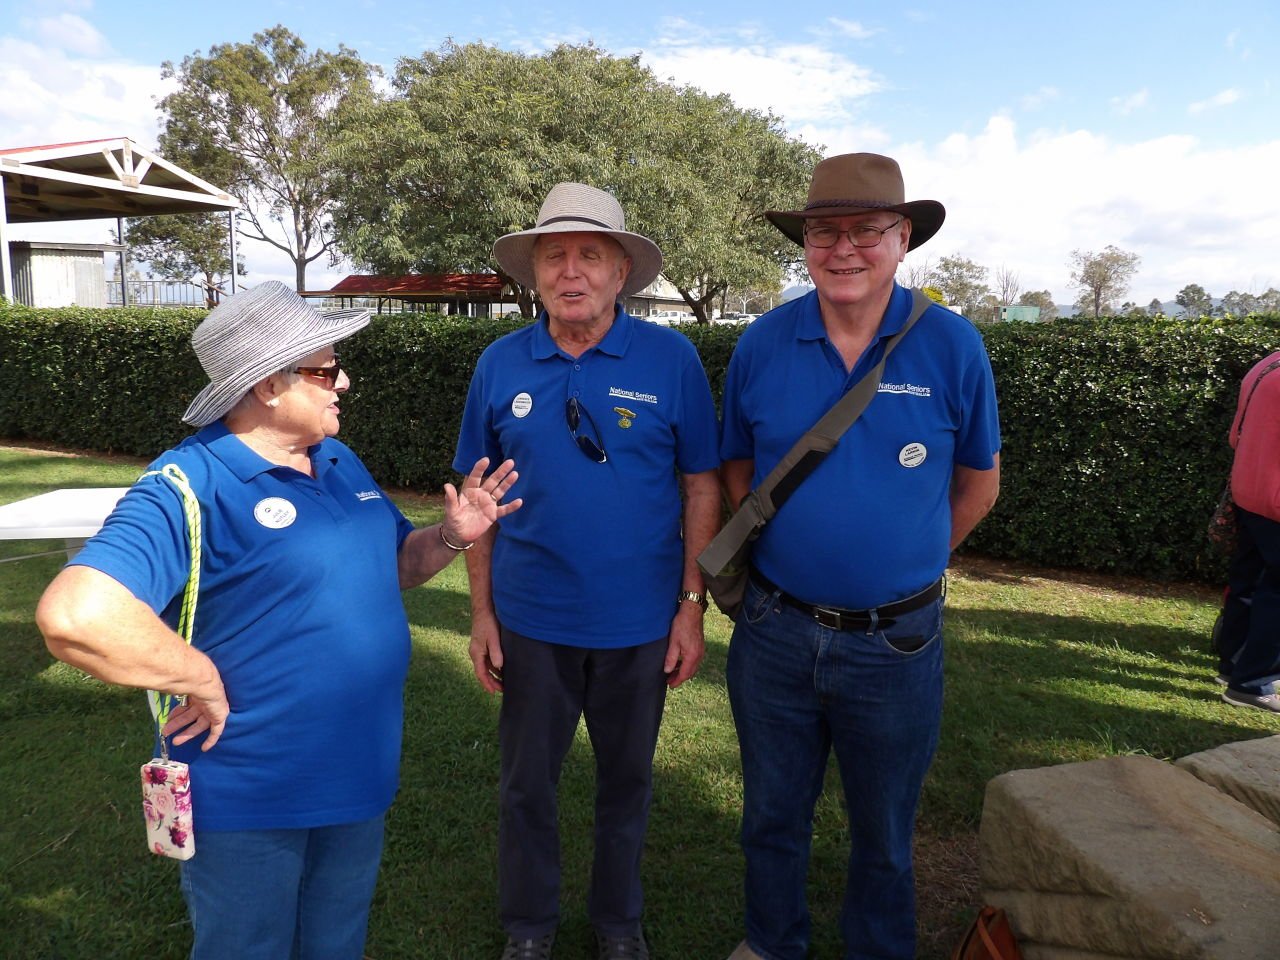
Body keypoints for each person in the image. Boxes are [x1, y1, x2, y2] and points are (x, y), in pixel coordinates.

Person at [35, 281, 522, 960]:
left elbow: (395, 566)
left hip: (356, 779)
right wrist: (196, 672)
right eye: (326, 369)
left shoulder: (337, 459)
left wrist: (449, 537)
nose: (344, 382)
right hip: (251, 797)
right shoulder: (188, 484)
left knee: (336, 946)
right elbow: (75, 614)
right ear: (268, 383)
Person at [717, 153, 1001, 960]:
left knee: (884, 829)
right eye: (823, 232)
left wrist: (910, 561)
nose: (843, 249)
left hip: (896, 644)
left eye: (865, 230)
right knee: (771, 815)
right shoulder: (764, 343)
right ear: (804, 243)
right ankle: (773, 942)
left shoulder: (951, 346)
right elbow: (739, 470)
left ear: (901, 237)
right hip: (774, 630)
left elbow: (979, 483)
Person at [453, 182, 721, 960]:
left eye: (590, 255)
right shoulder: (500, 364)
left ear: (620, 271)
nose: (571, 271)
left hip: (640, 624)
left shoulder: (671, 360)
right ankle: (529, 929)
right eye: (554, 255)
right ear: (534, 272)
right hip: (531, 621)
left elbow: (701, 482)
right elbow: (477, 499)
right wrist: (479, 614)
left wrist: (690, 606)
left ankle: (617, 926)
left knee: (627, 786)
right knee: (526, 787)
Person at [1215, 349, 1280, 711]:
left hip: (1248, 489)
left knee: (1248, 581)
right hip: (1275, 496)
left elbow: (1235, 436)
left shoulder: (1266, 364)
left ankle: (1233, 666)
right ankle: (1253, 682)